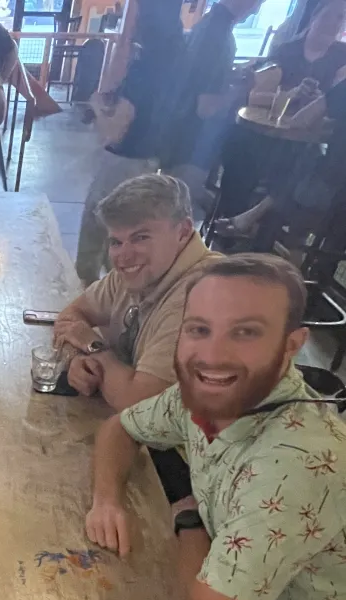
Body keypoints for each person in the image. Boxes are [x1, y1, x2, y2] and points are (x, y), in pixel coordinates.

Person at [85, 253, 346, 600]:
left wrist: (188, 522)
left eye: (245, 332)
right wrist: (106, 499)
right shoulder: (203, 391)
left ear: (293, 344)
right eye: (198, 329)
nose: (213, 354)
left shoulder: (296, 462)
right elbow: (119, 428)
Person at [55, 175, 219, 412]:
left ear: (183, 232)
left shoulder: (201, 296)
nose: (124, 255)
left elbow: (136, 405)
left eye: (140, 237)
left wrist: (93, 346)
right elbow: (72, 317)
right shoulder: (137, 271)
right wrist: (77, 359)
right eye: (116, 242)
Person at [76, 0, 185, 285]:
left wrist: (97, 105)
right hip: (148, 158)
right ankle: (112, 297)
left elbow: (115, 131)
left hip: (124, 163)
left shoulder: (145, 69)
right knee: (123, 238)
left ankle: (93, 300)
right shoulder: (176, 56)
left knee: (98, 235)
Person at [213, 0, 346, 221]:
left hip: (310, 142)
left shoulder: (342, 59)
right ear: (313, 19)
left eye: (340, 18)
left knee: (299, 163)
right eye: (327, 17)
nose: (331, 24)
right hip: (267, 131)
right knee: (238, 145)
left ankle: (260, 229)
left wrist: (316, 103)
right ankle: (231, 215)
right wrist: (290, 95)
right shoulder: (287, 51)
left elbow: (334, 107)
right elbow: (254, 97)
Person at [158, 0, 264, 219]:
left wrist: (231, 77)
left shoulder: (207, 23)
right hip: (191, 143)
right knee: (175, 217)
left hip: (178, 137)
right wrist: (241, 89)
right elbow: (206, 107)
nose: (256, 9)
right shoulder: (218, 36)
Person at [214, 73, 346, 241]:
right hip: (337, 197)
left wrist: (324, 101)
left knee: (298, 165)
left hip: (328, 193)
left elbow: (300, 120)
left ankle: (257, 229)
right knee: (304, 167)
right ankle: (260, 225)